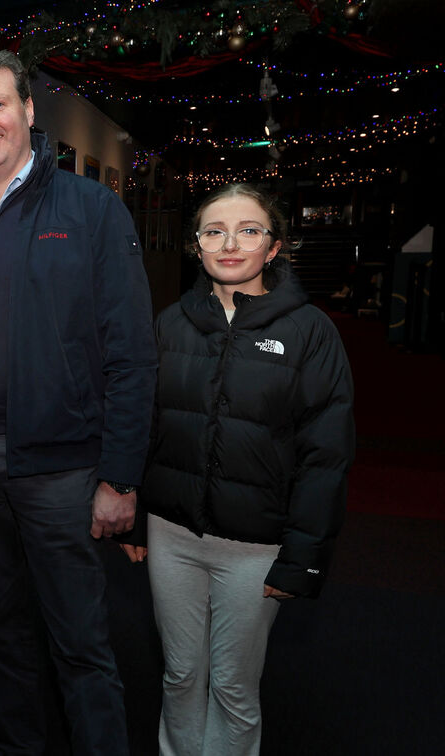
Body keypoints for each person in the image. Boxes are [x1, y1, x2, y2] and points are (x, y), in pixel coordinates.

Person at [0, 49, 157, 755]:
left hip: (62, 471)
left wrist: (120, 476)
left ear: (27, 111)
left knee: (80, 644)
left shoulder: (91, 209)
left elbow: (133, 353)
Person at [121, 184, 354, 756]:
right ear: (195, 244)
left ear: (274, 247)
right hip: (172, 537)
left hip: (257, 551)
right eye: (213, 231)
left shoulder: (310, 332)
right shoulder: (172, 322)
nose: (229, 243)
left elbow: (326, 454)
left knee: (231, 686)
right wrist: (135, 515)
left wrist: (304, 557)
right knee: (178, 675)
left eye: (248, 230)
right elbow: (148, 426)